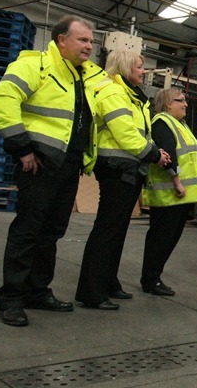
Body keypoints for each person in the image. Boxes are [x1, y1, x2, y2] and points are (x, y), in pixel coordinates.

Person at [0, 15, 106, 327]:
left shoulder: (82, 76)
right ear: (61, 40)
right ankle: (11, 296)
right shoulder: (36, 65)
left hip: (68, 166)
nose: (89, 46)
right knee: (28, 229)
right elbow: (3, 100)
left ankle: (37, 290)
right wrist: (22, 147)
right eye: (83, 40)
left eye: (91, 41)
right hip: (38, 163)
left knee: (52, 232)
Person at [75, 50, 170, 310]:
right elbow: (125, 134)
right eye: (139, 67)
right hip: (117, 168)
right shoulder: (113, 93)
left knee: (116, 230)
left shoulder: (130, 96)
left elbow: (138, 132)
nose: (143, 71)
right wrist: (153, 153)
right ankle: (92, 292)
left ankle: (108, 282)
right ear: (126, 67)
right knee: (107, 229)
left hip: (128, 168)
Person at [140, 88, 197, 296]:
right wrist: (177, 181)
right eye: (181, 101)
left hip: (179, 196)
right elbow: (168, 154)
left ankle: (154, 277)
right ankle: (150, 279)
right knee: (161, 238)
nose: (185, 104)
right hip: (170, 194)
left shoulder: (181, 124)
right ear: (168, 104)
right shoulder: (162, 122)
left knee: (169, 238)